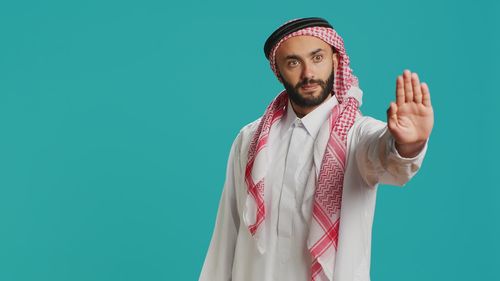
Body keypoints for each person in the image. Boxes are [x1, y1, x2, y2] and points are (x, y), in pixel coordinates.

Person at [199, 17, 434, 281]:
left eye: (317, 58)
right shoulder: (250, 139)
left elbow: (388, 157)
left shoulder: (356, 134)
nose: (308, 73)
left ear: (335, 60)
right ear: (278, 71)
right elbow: (227, 233)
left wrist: (409, 143)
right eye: (293, 62)